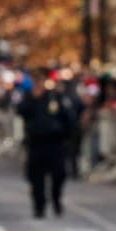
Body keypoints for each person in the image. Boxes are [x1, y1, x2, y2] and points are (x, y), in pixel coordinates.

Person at [17, 70, 77, 217]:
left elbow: (69, 117)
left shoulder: (56, 97)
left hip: (55, 143)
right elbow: (21, 111)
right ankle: (39, 206)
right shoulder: (29, 97)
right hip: (36, 143)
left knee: (59, 175)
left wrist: (67, 136)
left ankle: (56, 200)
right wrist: (32, 98)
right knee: (36, 178)